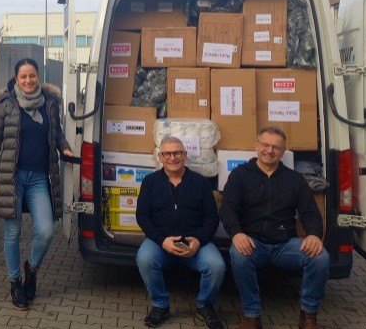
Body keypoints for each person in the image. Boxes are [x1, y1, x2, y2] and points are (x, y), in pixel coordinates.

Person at [0, 58, 73, 310]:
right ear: (16, 78)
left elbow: (56, 133)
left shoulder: (50, 104)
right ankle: (15, 283)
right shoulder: (5, 104)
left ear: (38, 76)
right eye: (23, 76)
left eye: (32, 75)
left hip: (38, 178)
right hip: (11, 177)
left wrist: (65, 148)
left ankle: (31, 269)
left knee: (46, 231)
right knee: (12, 233)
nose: (28, 80)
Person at [220, 126, 328, 329]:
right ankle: (252, 316)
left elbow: (311, 213)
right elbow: (227, 209)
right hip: (253, 243)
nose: (269, 150)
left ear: (283, 151)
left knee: (320, 257)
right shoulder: (240, 175)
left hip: (285, 245)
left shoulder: (294, 179)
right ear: (256, 146)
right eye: (265, 145)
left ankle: (309, 316)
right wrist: (237, 233)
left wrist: (314, 235)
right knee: (239, 254)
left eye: (276, 147)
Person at [135, 136, 226, 329]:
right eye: (167, 153)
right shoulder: (150, 182)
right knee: (145, 258)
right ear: (160, 157)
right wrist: (162, 241)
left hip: (195, 241)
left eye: (177, 153)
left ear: (184, 155)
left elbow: (212, 218)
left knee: (216, 265)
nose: (172, 157)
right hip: (161, 241)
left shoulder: (201, 183)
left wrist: (198, 240)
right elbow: (142, 217)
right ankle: (160, 305)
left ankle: (205, 305)